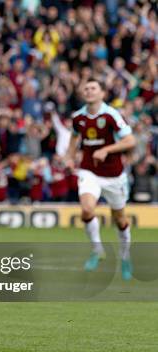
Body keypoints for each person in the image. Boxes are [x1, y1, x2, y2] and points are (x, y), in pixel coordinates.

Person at [66, 79, 136, 280]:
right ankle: (97, 251)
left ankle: (125, 257)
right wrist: (70, 158)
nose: (88, 91)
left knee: (120, 220)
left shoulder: (111, 115)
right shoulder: (78, 117)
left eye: (93, 88)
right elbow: (73, 137)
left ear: (102, 93)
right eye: (86, 88)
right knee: (87, 210)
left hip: (114, 176)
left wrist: (106, 149)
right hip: (89, 172)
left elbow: (130, 140)